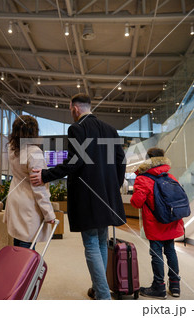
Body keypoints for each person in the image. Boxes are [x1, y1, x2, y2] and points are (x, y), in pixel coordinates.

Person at [30, 93, 126, 300]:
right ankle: (99, 288)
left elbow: (75, 162)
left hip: (88, 197)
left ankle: (104, 297)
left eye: (70, 110)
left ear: (74, 108)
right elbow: (121, 162)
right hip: (107, 197)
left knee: (91, 243)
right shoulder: (111, 130)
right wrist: (113, 187)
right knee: (101, 241)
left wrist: (46, 175)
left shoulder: (77, 129)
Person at [130, 147, 184, 299]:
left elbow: (137, 202)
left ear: (148, 159)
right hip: (171, 222)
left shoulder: (143, 178)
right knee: (170, 251)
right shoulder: (171, 177)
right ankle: (175, 286)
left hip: (155, 224)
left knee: (156, 254)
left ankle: (158, 287)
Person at [4, 115, 56, 249]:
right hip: (28, 203)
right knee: (27, 245)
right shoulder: (34, 152)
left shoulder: (11, 149)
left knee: (17, 240)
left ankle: (16, 270)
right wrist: (49, 213)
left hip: (15, 198)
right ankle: (23, 270)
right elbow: (38, 187)